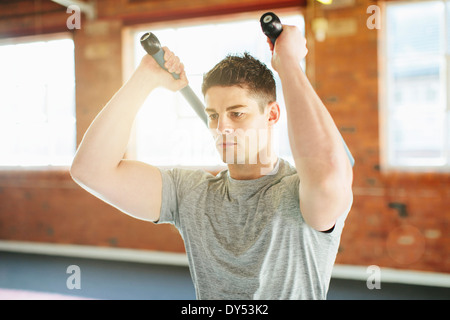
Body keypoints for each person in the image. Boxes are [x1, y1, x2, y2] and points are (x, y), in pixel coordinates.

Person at [70, 24, 353, 299]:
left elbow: (327, 178)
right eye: (214, 115)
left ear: (272, 115)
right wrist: (145, 77)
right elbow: (91, 170)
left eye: (237, 113)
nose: (222, 128)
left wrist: (289, 64)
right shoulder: (192, 193)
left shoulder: (300, 192)